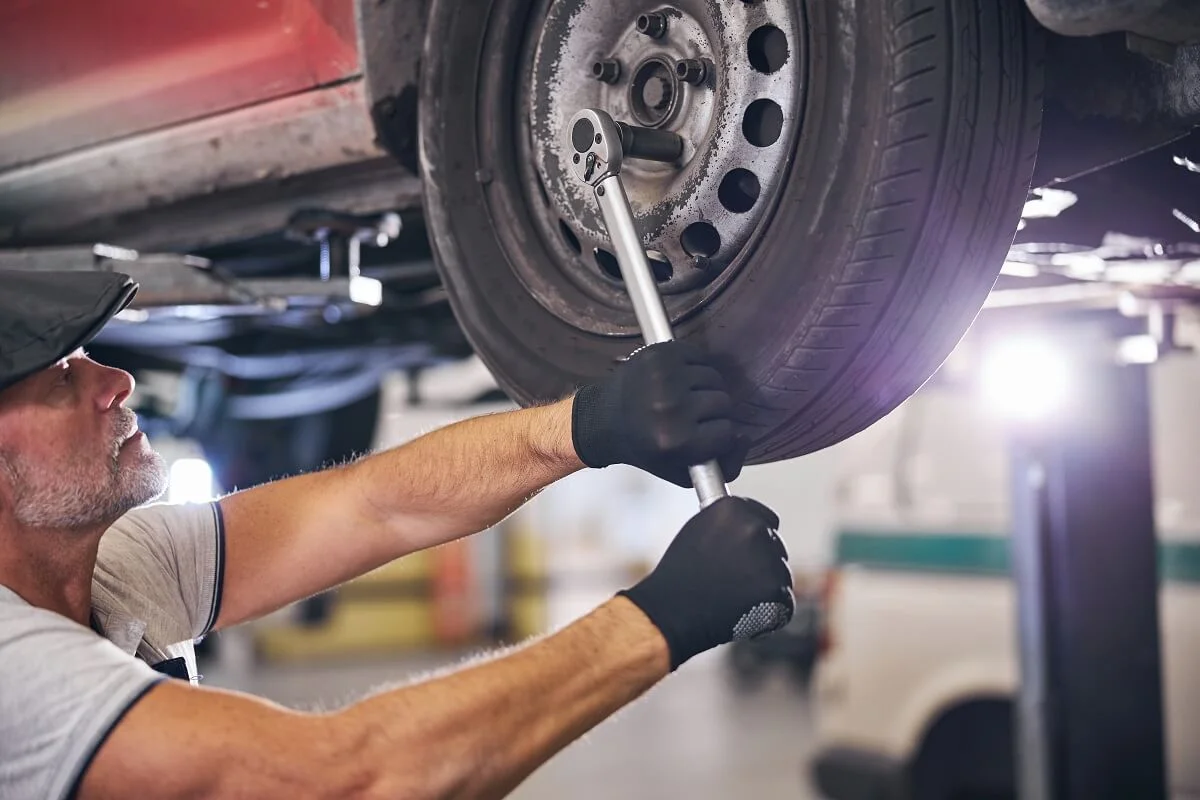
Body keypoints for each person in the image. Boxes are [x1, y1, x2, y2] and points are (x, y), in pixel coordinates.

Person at [0, 269, 794, 800]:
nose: (117, 380)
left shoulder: (115, 569)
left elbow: (374, 505)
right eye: (63, 377)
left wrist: (588, 426)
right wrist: (659, 619)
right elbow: (348, 780)